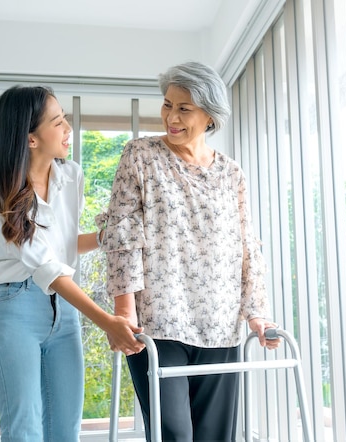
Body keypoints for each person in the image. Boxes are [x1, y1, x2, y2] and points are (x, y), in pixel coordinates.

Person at [97, 61, 280, 442]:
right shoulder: (140, 156)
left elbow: (246, 244)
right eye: (167, 105)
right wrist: (124, 310)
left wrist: (257, 313)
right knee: (173, 433)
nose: (171, 117)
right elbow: (122, 234)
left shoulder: (232, 173)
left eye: (184, 108)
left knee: (215, 435)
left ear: (210, 114)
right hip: (158, 320)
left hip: (220, 322)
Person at [0, 85, 145, 442]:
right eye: (58, 122)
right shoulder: (1, 190)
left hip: (62, 312)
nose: (68, 129)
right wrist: (107, 322)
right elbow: (44, 266)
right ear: (31, 139)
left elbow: (62, 246)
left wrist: (104, 236)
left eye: (65, 119)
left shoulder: (72, 176)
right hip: (12, 308)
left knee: (65, 429)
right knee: (24, 429)